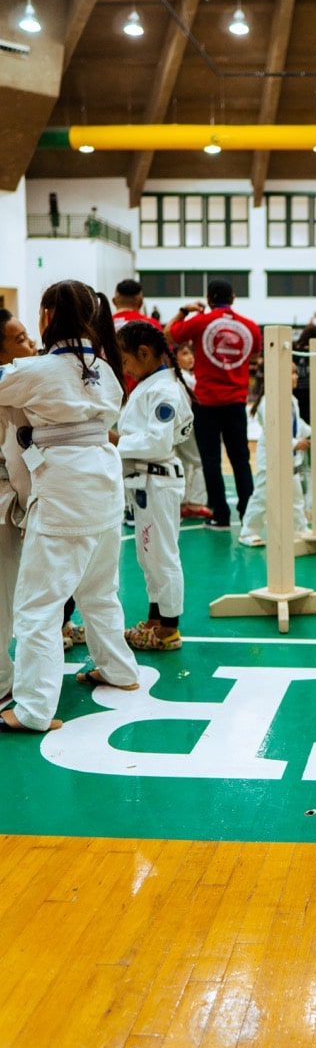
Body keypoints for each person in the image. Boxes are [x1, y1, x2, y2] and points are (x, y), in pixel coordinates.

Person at [0, 281, 140, 734]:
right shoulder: (103, 368)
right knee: (99, 591)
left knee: (38, 606)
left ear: (46, 315)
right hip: (103, 480)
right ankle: (120, 671)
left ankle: (33, 710)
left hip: (64, 489)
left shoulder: (37, 370)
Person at [115, 320, 195, 649]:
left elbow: (158, 443)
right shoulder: (152, 385)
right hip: (145, 481)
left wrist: (112, 441)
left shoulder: (164, 390)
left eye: (125, 360)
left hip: (157, 480)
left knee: (162, 556)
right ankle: (154, 619)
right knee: (149, 557)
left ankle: (169, 629)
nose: (125, 368)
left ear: (144, 353)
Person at [167, 278, 261, 530]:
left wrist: (185, 311)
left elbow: (168, 333)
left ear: (208, 300)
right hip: (236, 402)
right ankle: (247, 514)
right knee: (241, 460)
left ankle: (220, 514)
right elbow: (255, 351)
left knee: (211, 460)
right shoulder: (250, 327)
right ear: (233, 299)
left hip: (206, 402)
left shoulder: (200, 322)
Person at [0, 311, 38, 707]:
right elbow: (17, 462)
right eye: (22, 338)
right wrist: (31, 510)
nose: (31, 345)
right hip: (4, 503)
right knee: (3, 597)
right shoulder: (13, 392)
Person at [239, 363, 311, 547]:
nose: (296, 377)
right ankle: (248, 531)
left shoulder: (292, 400)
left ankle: (300, 528)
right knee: (262, 496)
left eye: (296, 373)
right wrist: (296, 443)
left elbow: (297, 424)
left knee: (296, 497)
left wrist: (313, 430)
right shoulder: (269, 401)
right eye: (292, 373)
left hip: (291, 460)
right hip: (271, 459)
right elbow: (274, 433)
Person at [173, 343, 211, 519]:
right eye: (185, 353)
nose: (190, 358)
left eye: (191, 354)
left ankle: (183, 500)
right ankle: (195, 503)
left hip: (178, 426)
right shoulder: (186, 378)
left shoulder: (177, 376)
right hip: (188, 425)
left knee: (184, 463)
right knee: (200, 461)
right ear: (175, 356)